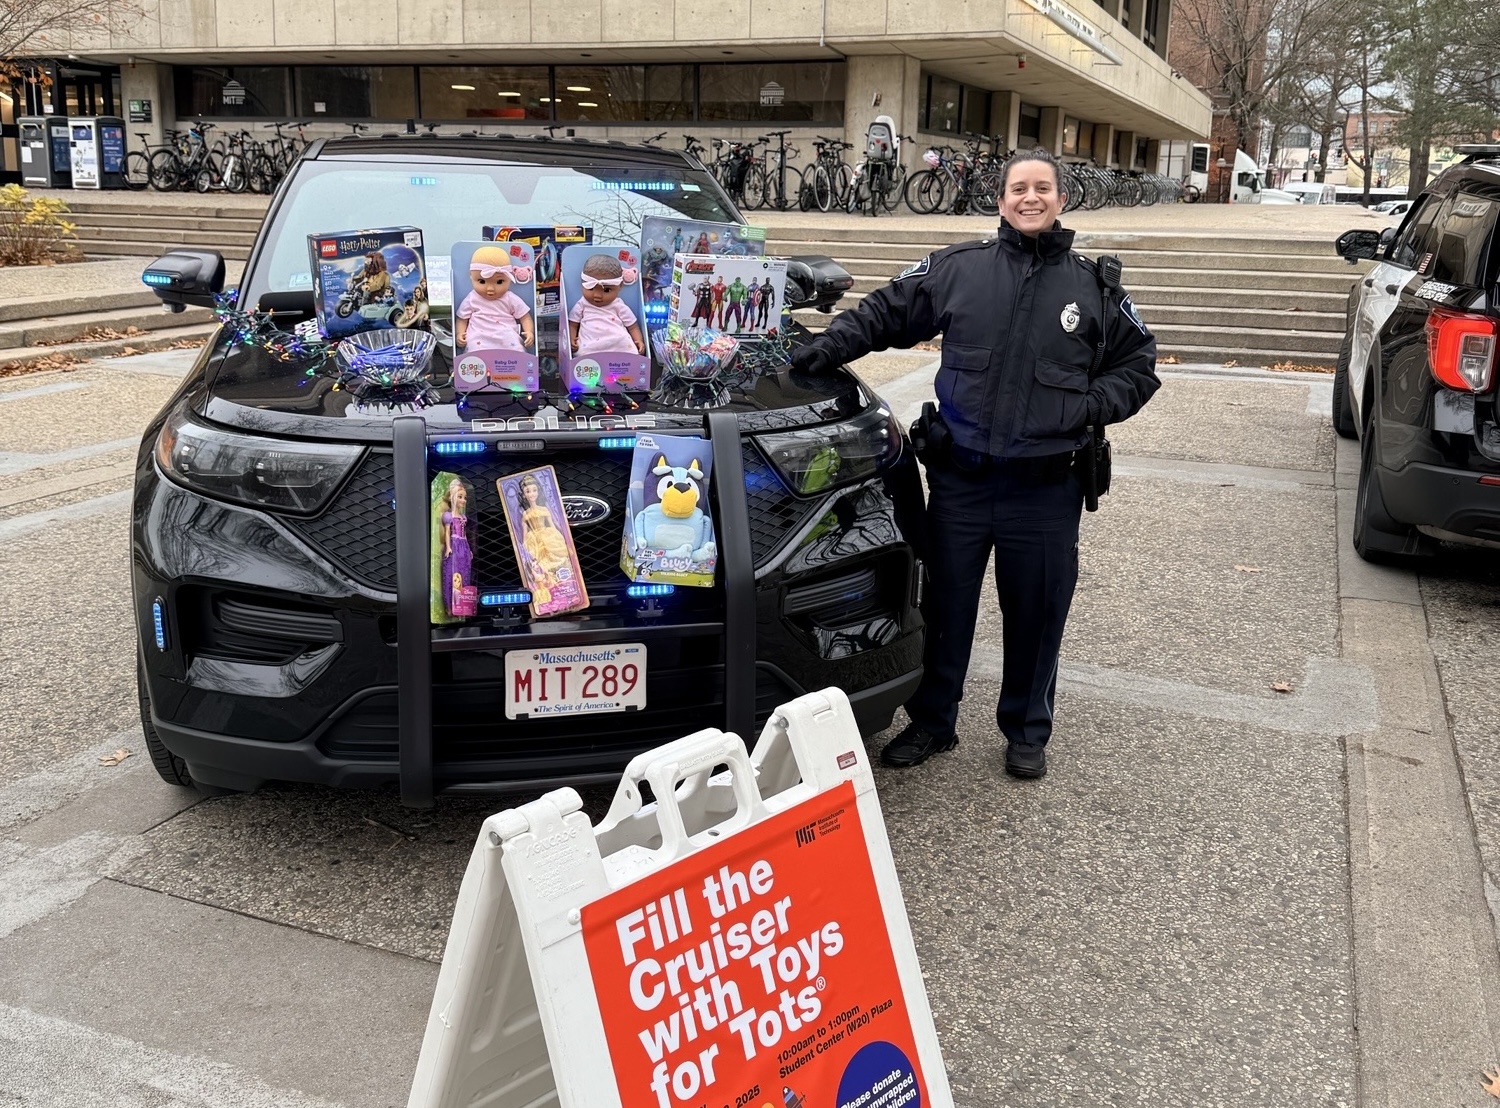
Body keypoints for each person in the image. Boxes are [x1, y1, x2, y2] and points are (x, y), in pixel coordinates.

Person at [791, 147, 1160, 779]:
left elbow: (1139, 365)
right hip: (961, 481)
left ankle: (1025, 730)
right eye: (1019, 187)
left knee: (1037, 613)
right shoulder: (959, 269)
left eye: (1043, 188)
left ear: (1061, 199)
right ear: (1001, 199)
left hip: (1045, 490)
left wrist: (1088, 405)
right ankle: (934, 722)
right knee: (945, 610)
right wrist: (825, 349)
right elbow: (887, 311)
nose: (1030, 198)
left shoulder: (1094, 288)